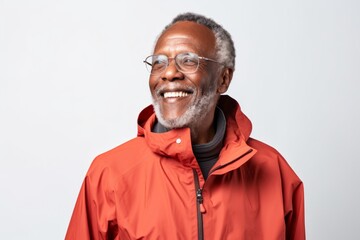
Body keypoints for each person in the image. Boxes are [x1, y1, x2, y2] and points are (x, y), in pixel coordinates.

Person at [65, 12, 305, 240]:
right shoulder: (109, 173)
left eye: (188, 60)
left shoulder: (275, 172)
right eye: (159, 63)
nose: (169, 73)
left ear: (223, 79)